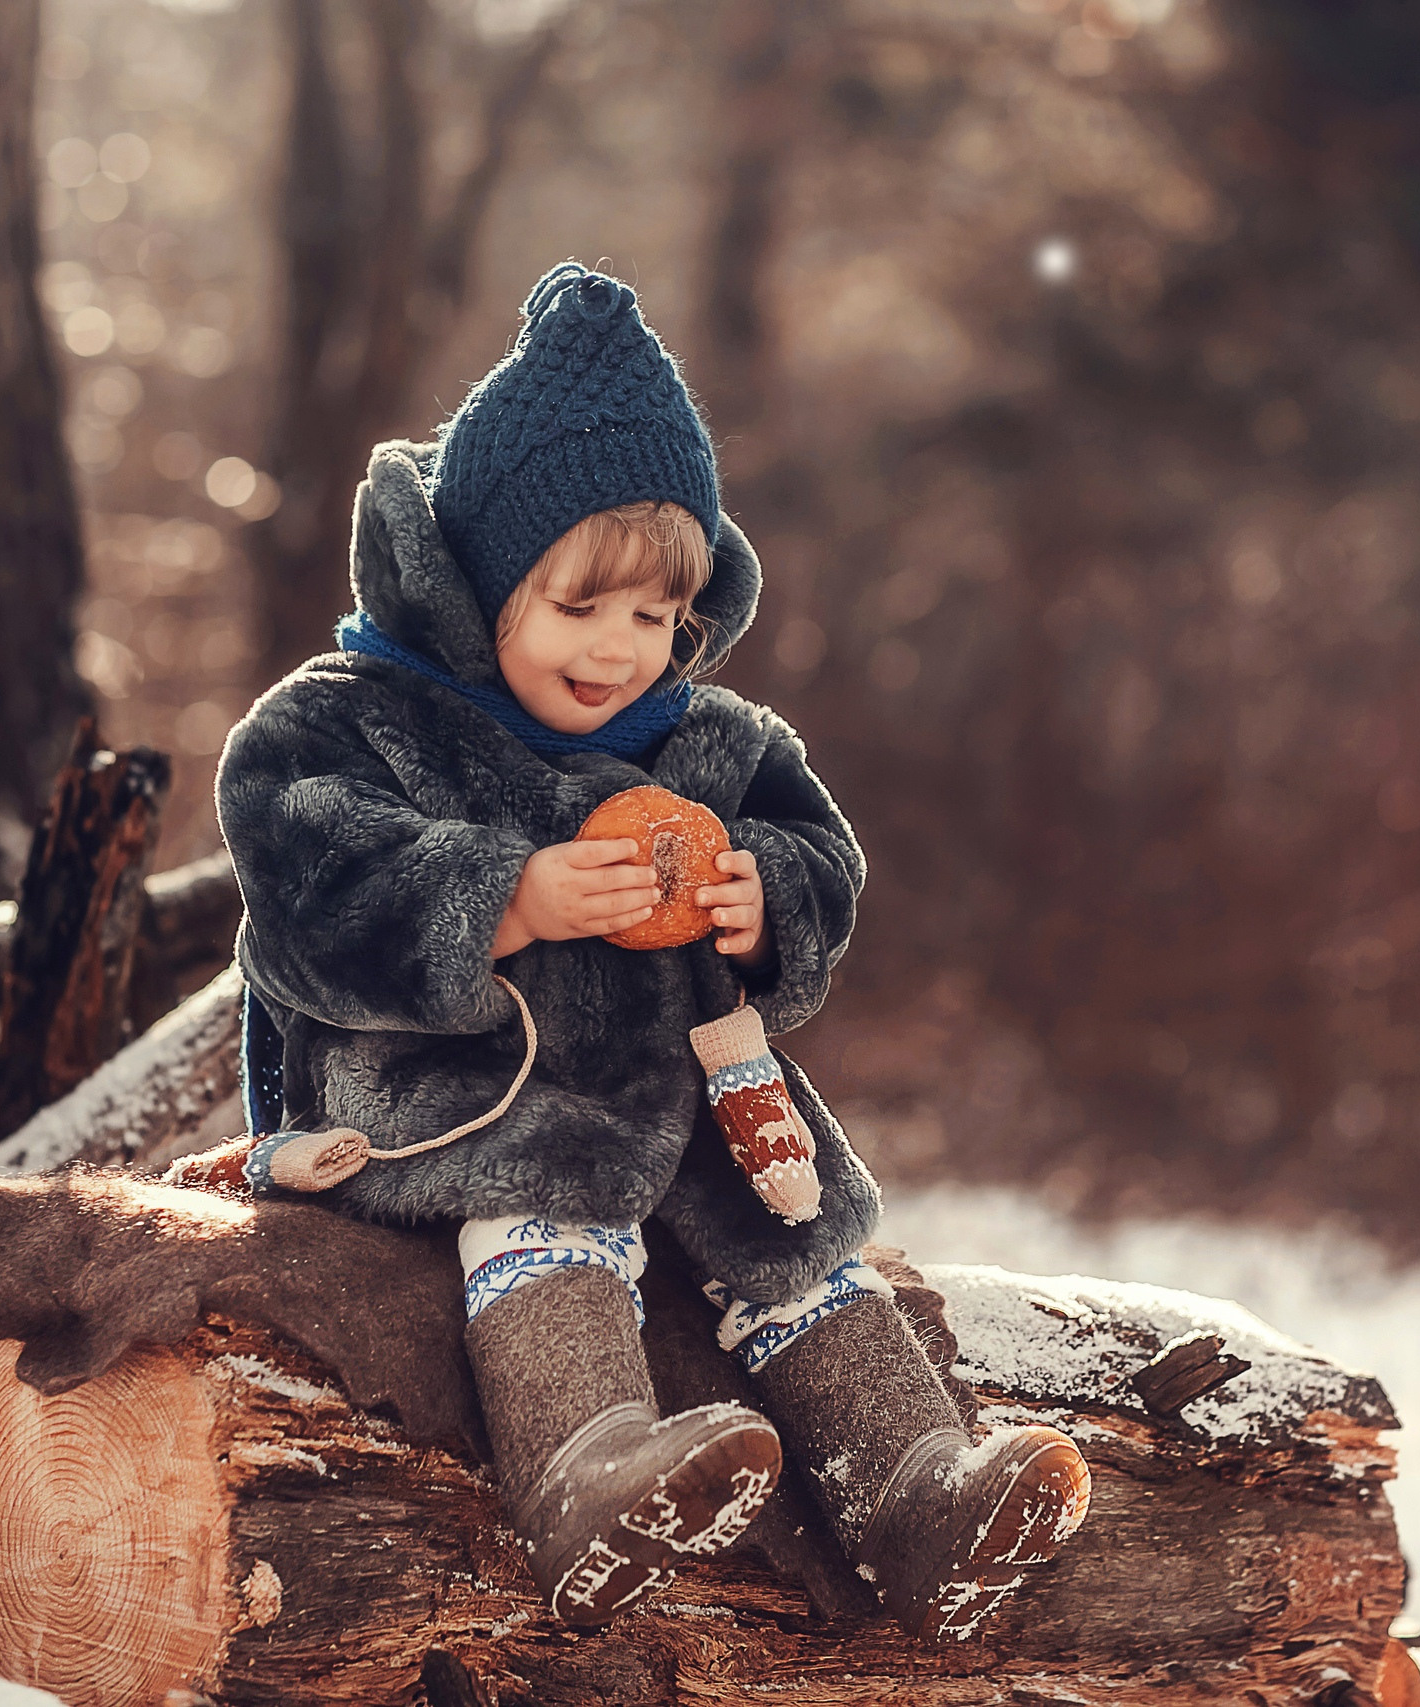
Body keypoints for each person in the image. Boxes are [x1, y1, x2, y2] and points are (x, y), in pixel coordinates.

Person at [215, 262, 1087, 1638]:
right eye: (580, 607)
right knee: (544, 1200)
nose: (622, 650)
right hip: (466, 1088)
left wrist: (767, 900)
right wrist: (506, 895)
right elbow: (302, 881)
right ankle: (585, 1471)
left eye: (653, 616)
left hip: (693, 1091)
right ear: (481, 585)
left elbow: (823, 855)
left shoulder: (714, 745)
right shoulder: (356, 724)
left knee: (798, 1243)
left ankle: (917, 1492)